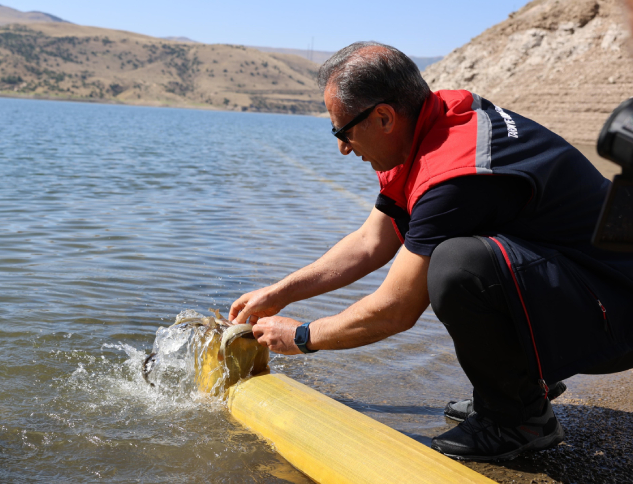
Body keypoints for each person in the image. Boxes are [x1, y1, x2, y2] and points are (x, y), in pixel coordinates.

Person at [229, 41, 633, 462]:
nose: (343, 148)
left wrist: (300, 337)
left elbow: (394, 310)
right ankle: (513, 390)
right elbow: (370, 242)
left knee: (457, 267)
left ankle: (518, 419)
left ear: (384, 117)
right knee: (462, 260)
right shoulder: (434, 123)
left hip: (618, 316)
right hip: (590, 288)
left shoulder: (452, 173)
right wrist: (279, 293)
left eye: (342, 130)